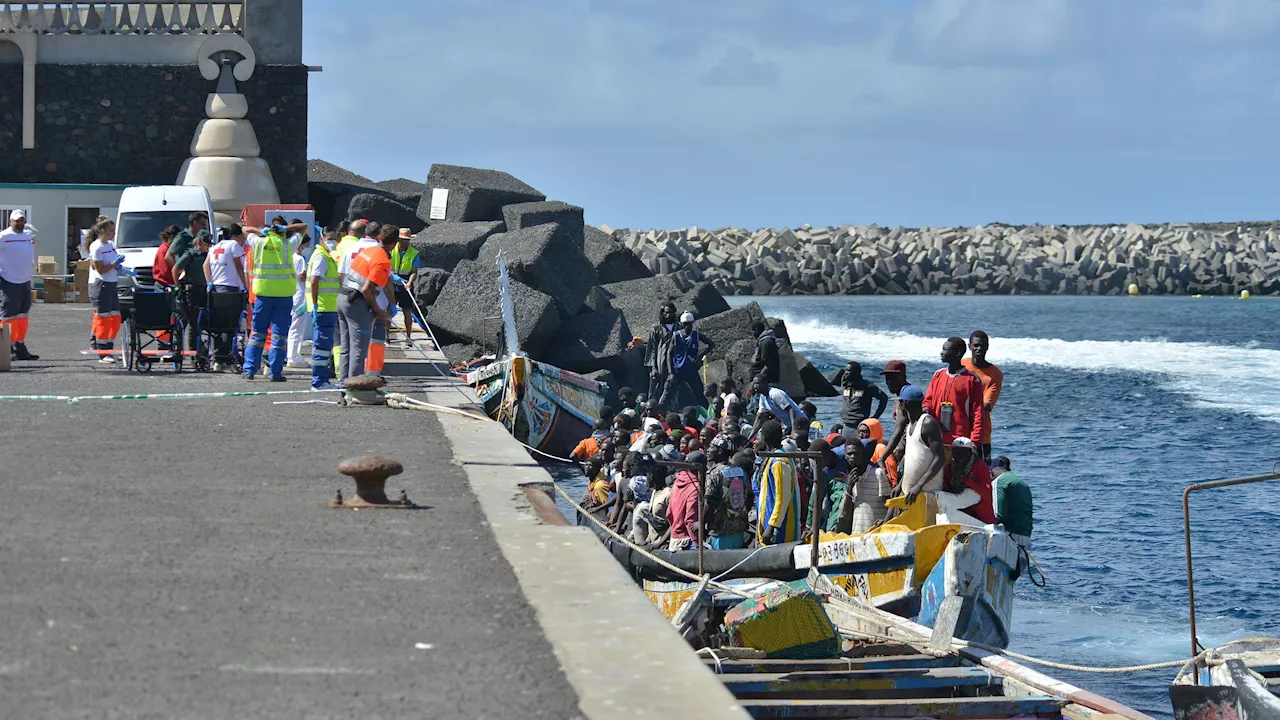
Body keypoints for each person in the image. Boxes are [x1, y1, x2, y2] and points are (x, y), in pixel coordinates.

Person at [242, 218, 301, 381]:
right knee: (279, 337)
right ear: (282, 232)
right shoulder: (288, 245)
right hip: (284, 296)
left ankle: (249, 371)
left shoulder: (259, 243)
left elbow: (244, 229)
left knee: (258, 334)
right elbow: (303, 228)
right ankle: (275, 373)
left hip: (264, 295)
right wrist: (285, 228)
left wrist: (260, 230)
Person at [337, 224, 396, 381]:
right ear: (394, 243)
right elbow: (367, 289)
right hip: (357, 303)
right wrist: (377, 309)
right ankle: (354, 389)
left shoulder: (367, 252)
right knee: (359, 350)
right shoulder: (382, 260)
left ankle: (343, 385)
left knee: (346, 347)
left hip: (343, 298)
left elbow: (344, 274)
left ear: (379, 238)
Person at [923, 337, 987, 447]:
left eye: (945, 350)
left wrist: (975, 442)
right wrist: (926, 410)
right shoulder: (938, 375)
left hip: (960, 441)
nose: (941, 353)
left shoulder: (972, 380)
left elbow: (978, 414)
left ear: (957, 353)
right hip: (936, 438)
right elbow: (928, 401)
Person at [203, 224, 249, 371]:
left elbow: (205, 265)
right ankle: (227, 357)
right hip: (230, 290)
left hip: (215, 291)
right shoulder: (234, 245)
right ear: (237, 235)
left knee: (217, 325)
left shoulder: (215, 247)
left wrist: (209, 281)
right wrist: (245, 286)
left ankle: (217, 359)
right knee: (230, 326)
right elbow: (239, 267)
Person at [891, 385, 946, 506]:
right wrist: (900, 485)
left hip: (926, 493)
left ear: (905, 403)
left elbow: (940, 458)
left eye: (900, 401)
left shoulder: (927, 423)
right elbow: (912, 460)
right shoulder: (910, 425)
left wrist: (919, 485)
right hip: (910, 494)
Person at [754, 421, 800, 546]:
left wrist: (771, 526)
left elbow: (782, 498)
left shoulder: (779, 461)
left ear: (764, 437)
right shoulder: (773, 457)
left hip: (779, 529)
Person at [306, 229, 341, 390]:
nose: (332, 241)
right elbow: (314, 281)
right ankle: (319, 381)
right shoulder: (321, 257)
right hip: (323, 308)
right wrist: (314, 304)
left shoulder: (326, 256)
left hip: (327, 307)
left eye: (334, 238)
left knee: (324, 347)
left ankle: (322, 380)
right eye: (329, 238)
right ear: (321, 238)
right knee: (322, 346)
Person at [962, 330, 1004, 462]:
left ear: (987, 347)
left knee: (981, 473)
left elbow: (985, 406)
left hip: (981, 434)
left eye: (982, 346)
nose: (979, 349)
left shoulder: (995, 374)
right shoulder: (962, 365)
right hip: (958, 430)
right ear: (970, 347)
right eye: (976, 345)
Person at [87, 219, 123, 363]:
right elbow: (100, 269)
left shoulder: (110, 245)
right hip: (101, 284)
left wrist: (119, 267)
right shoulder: (96, 247)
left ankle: (109, 347)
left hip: (112, 283)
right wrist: (114, 264)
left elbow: (112, 262)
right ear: (102, 231)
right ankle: (102, 352)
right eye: (111, 230)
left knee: (115, 317)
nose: (113, 233)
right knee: (103, 318)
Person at [938, 437, 996, 527]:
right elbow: (944, 489)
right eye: (956, 451)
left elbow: (987, 493)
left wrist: (967, 481)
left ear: (970, 452)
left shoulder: (979, 465)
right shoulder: (949, 467)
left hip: (981, 518)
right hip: (959, 513)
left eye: (963, 452)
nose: (959, 455)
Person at [704, 447, 753, 549]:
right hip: (738, 529)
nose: (708, 449)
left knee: (719, 563)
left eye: (712, 447)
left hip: (720, 530)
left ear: (720, 451)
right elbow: (749, 496)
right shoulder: (739, 471)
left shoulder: (714, 473)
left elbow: (709, 502)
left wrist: (700, 523)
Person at [664, 311, 714, 408]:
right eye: (685, 324)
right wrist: (670, 373)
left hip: (691, 371)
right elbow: (669, 353)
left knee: (700, 394)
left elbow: (711, 344)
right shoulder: (676, 335)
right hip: (677, 371)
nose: (687, 326)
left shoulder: (696, 335)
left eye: (689, 324)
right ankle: (658, 413)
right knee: (667, 393)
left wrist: (700, 356)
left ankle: (709, 414)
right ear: (682, 324)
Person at [833, 361, 889, 435]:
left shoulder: (867, 386)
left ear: (856, 373)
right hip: (844, 424)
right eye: (845, 370)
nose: (845, 372)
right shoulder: (845, 384)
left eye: (849, 370)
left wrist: (875, 417)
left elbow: (884, 398)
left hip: (859, 426)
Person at [991, 456, 1033, 549]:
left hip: (1011, 536)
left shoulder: (999, 481)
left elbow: (997, 515)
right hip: (1025, 536)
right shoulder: (1021, 482)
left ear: (991, 472)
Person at [666, 450, 704, 551]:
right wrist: (697, 545)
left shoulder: (676, 484)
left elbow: (669, 514)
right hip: (687, 542)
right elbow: (690, 521)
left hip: (674, 540)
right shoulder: (695, 488)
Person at [390, 227, 421, 346]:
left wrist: (409, 283)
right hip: (391, 284)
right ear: (399, 239)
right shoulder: (391, 250)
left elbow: (414, 271)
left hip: (405, 285)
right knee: (388, 311)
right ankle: (386, 336)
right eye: (404, 239)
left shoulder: (414, 254)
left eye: (408, 240)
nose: (406, 242)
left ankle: (408, 337)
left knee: (407, 312)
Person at [285, 233, 312, 369]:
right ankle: (294, 357)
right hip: (300, 295)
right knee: (297, 328)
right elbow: (302, 276)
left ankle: (293, 355)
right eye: (307, 245)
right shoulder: (300, 259)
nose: (307, 247)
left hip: (291, 293)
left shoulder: (288, 256)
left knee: (293, 327)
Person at [645, 301, 678, 408]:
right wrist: (653, 368)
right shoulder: (656, 328)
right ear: (662, 313)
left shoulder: (679, 327)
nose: (669, 315)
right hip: (659, 364)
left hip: (674, 363)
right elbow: (652, 349)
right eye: (667, 312)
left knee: (672, 390)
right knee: (655, 390)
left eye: (671, 312)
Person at [748, 320, 780, 385]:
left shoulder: (765, 342)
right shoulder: (763, 341)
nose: (752, 334)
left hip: (764, 382)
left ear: (756, 330)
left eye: (753, 331)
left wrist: (758, 379)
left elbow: (767, 364)